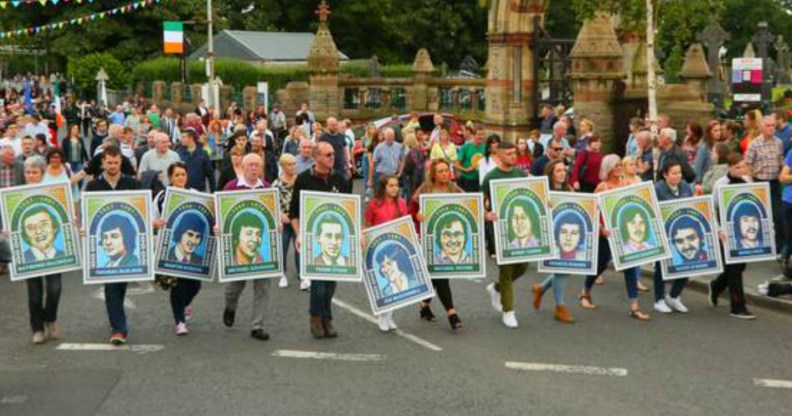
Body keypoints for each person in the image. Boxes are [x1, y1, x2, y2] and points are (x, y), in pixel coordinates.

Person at [290, 142, 351, 339]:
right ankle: (315, 318)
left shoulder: (340, 179)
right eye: (328, 154)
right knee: (318, 284)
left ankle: (327, 318)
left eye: (333, 154)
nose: (332, 157)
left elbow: (349, 210)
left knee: (331, 283)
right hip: (314, 238)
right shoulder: (304, 179)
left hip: (335, 238)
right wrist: (299, 234)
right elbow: (294, 212)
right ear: (316, 157)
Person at [579, 154, 650, 321]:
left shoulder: (627, 184)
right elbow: (593, 213)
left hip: (625, 233)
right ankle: (586, 291)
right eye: (615, 165)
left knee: (630, 267)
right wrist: (602, 229)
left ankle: (634, 306)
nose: (619, 168)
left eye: (620, 165)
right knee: (601, 265)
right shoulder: (602, 187)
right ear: (608, 168)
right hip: (606, 234)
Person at [85, 146, 141, 345]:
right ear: (102, 163)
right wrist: (84, 229)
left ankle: (116, 321)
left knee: (120, 284)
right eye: (109, 162)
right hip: (104, 247)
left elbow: (141, 213)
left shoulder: (133, 184)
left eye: (116, 162)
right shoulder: (92, 187)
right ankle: (119, 328)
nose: (113, 166)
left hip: (126, 246)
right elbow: (88, 216)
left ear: (121, 163)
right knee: (111, 286)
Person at [221, 153, 272, 341]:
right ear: (243, 167)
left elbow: (272, 216)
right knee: (234, 288)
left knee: (263, 287)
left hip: (262, 248)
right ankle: (230, 306)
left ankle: (257, 326)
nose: (254, 168)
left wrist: (278, 223)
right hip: (238, 248)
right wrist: (219, 226)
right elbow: (221, 213)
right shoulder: (231, 187)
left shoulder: (267, 189)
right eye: (250, 165)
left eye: (257, 165)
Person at [410, 159, 464, 330]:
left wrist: (485, 211)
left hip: (447, 239)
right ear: (433, 174)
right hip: (429, 238)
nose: (444, 174)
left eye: (446, 170)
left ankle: (424, 305)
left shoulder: (453, 188)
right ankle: (452, 313)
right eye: (440, 171)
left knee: (435, 275)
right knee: (441, 275)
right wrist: (417, 215)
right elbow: (411, 209)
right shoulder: (425, 189)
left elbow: (469, 202)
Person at [482, 142, 531, 328]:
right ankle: (508, 311)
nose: (513, 156)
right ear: (499, 156)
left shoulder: (520, 174)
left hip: (520, 227)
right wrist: (486, 214)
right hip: (500, 229)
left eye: (514, 153)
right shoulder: (490, 177)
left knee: (523, 266)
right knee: (507, 269)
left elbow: (530, 194)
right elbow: (481, 201)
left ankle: (495, 288)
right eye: (508, 153)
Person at [153, 163, 204, 335]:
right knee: (177, 286)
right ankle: (179, 322)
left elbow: (207, 214)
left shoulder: (195, 194)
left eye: (183, 174)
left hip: (194, 248)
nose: (181, 178)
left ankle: (185, 304)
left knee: (195, 285)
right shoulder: (162, 196)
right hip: (169, 249)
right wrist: (156, 223)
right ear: (170, 178)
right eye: (177, 175)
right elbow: (153, 218)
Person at [19, 156, 63, 344]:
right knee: (34, 294)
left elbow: (62, 215)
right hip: (29, 252)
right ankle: (37, 329)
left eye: (35, 172)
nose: (31, 175)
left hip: (54, 251)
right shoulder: (16, 195)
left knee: (55, 289)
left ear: (42, 174)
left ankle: (50, 319)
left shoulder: (52, 192)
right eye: (28, 172)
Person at [709, 153, 756, 319]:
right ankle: (737, 307)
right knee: (734, 269)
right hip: (727, 233)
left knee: (740, 267)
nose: (741, 170)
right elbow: (712, 209)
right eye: (737, 167)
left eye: (743, 166)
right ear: (729, 167)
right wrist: (718, 229)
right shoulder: (720, 184)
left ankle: (716, 286)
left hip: (743, 231)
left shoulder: (748, 182)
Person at [532, 158, 576, 323]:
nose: (562, 173)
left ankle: (541, 288)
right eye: (558, 170)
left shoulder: (569, 190)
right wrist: (545, 204)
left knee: (566, 269)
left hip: (566, 236)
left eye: (564, 170)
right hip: (550, 237)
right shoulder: (544, 192)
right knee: (561, 270)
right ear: (551, 174)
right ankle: (560, 307)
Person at [364, 175, 409, 332]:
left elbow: (405, 225)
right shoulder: (374, 204)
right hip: (379, 249)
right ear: (383, 188)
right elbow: (368, 224)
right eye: (391, 186)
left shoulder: (402, 204)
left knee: (395, 283)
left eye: (396, 185)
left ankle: (389, 317)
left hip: (395, 249)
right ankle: (382, 317)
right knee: (383, 283)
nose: (395, 188)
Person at [652, 161, 693, 314]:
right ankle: (659, 299)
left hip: (683, 232)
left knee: (688, 262)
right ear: (665, 174)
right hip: (664, 233)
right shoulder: (658, 189)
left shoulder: (685, 186)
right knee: (661, 267)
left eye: (679, 173)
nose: (678, 176)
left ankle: (674, 296)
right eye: (674, 173)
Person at [745, 115, 784, 251]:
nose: (771, 128)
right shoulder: (754, 144)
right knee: (758, 216)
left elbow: (780, 161)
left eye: (773, 125)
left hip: (774, 183)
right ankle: (759, 245)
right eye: (768, 126)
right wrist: (751, 183)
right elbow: (748, 164)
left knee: (779, 216)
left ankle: (780, 246)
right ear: (762, 127)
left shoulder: (778, 142)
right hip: (759, 182)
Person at [272, 154, 304, 289]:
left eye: (294, 164)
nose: (293, 166)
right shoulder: (277, 183)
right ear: (283, 166)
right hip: (284, 222)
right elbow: (273, 203)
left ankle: (302, 274)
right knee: (282, 248)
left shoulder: (301, 181)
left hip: (299, 221)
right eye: (290, 164)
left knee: (300, 248)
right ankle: (282, 274)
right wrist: (280, 215)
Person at [456, 127, 487, 192]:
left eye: (483, 135)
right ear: (473, 135)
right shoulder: (466, 147)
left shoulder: (485, 147)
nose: (481, 137)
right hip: (467, 180)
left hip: (480, 180)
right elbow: (456, 165)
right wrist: (466, 169)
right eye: (479, 134)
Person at [400, 131, 425, 204]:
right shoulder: (418, 150)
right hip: (417, 175)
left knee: (408, 193)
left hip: (410, 175)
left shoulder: (411, 151)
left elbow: (415, 162)